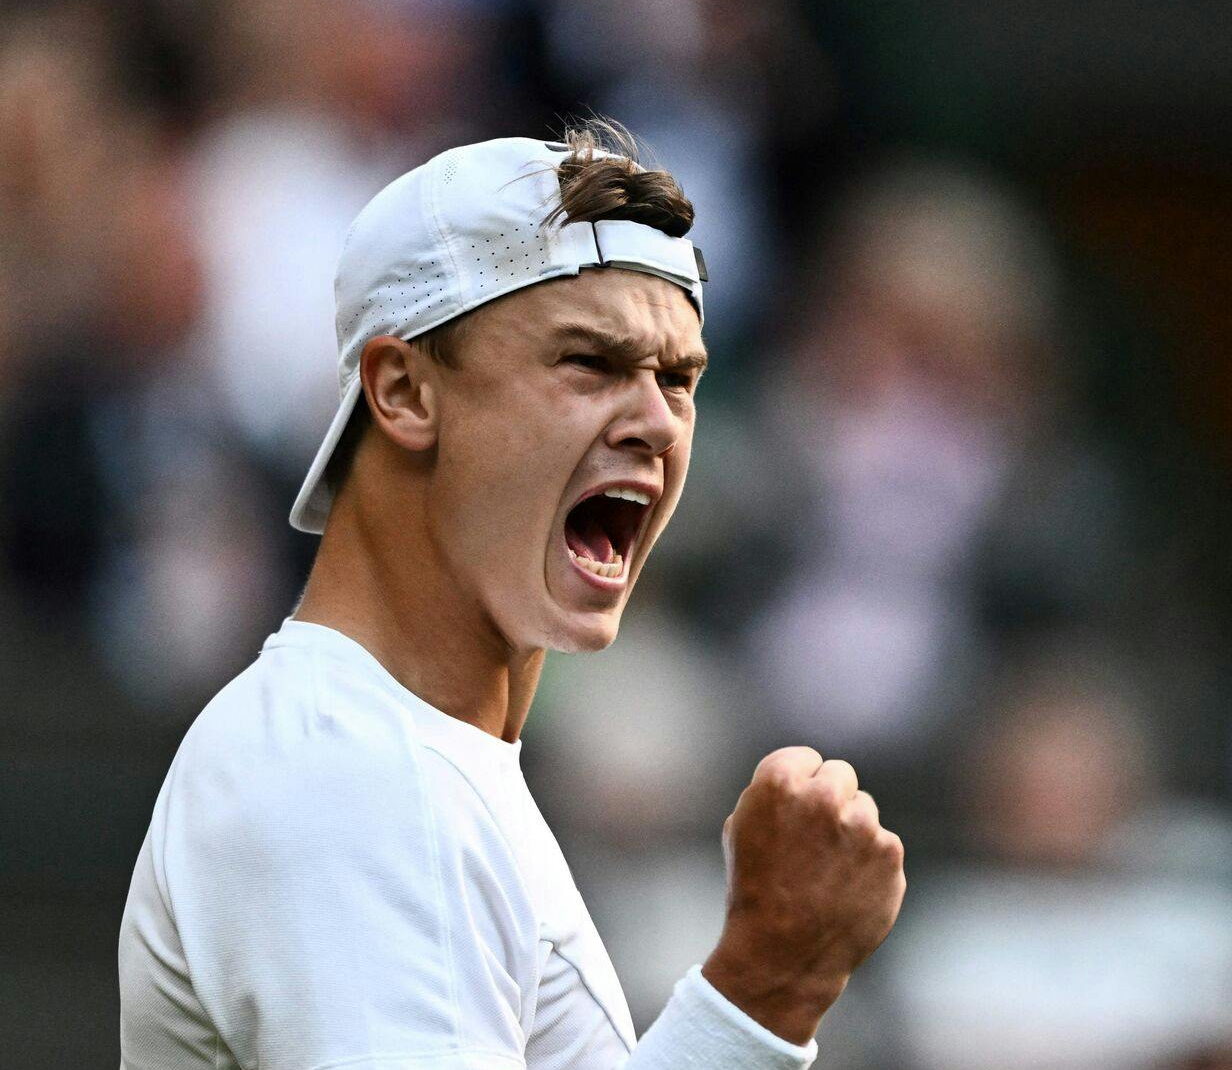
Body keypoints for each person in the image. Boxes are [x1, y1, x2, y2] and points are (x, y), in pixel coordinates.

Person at [118, 119, 906, 1069]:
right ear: (404, 391)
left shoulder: (408, 758)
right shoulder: (350, 776)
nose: (658, 422)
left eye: (680, 378)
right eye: (591, 363)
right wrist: (767, 986)